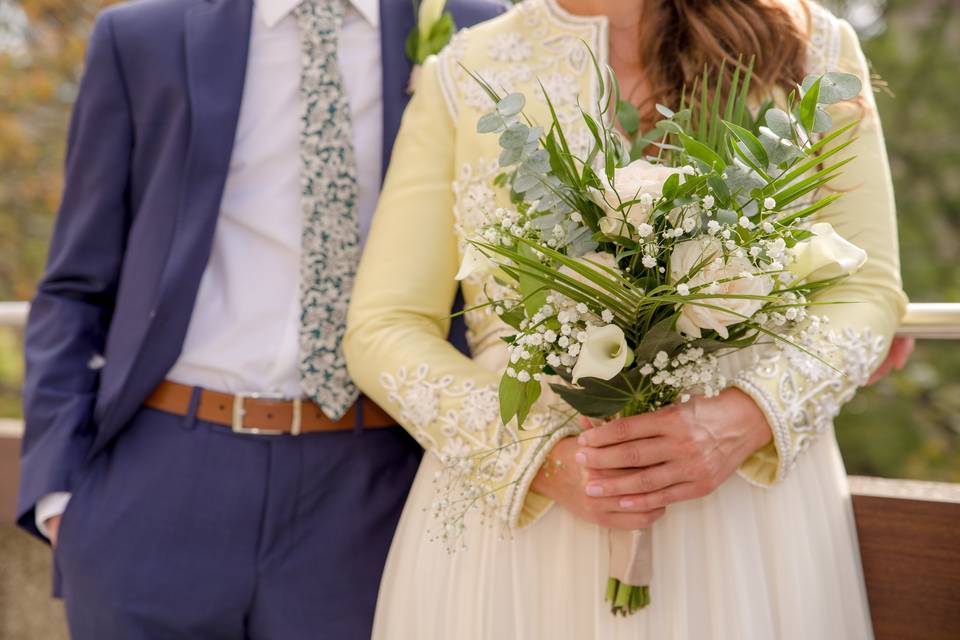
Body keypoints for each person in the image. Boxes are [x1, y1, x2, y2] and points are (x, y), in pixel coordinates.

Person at [344, 0, 908, 637]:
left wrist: (748, 418)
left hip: (745, 514)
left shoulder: (811, 47)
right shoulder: (469, 68)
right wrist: (539, 459)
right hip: (526, 524)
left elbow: (868, 289)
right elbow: (383, 327)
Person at [16, 0, 502, 637]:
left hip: (373, 482)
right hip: (161, 473)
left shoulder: (481, 33)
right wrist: (60, 498)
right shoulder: (144, 36)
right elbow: (77, 282)